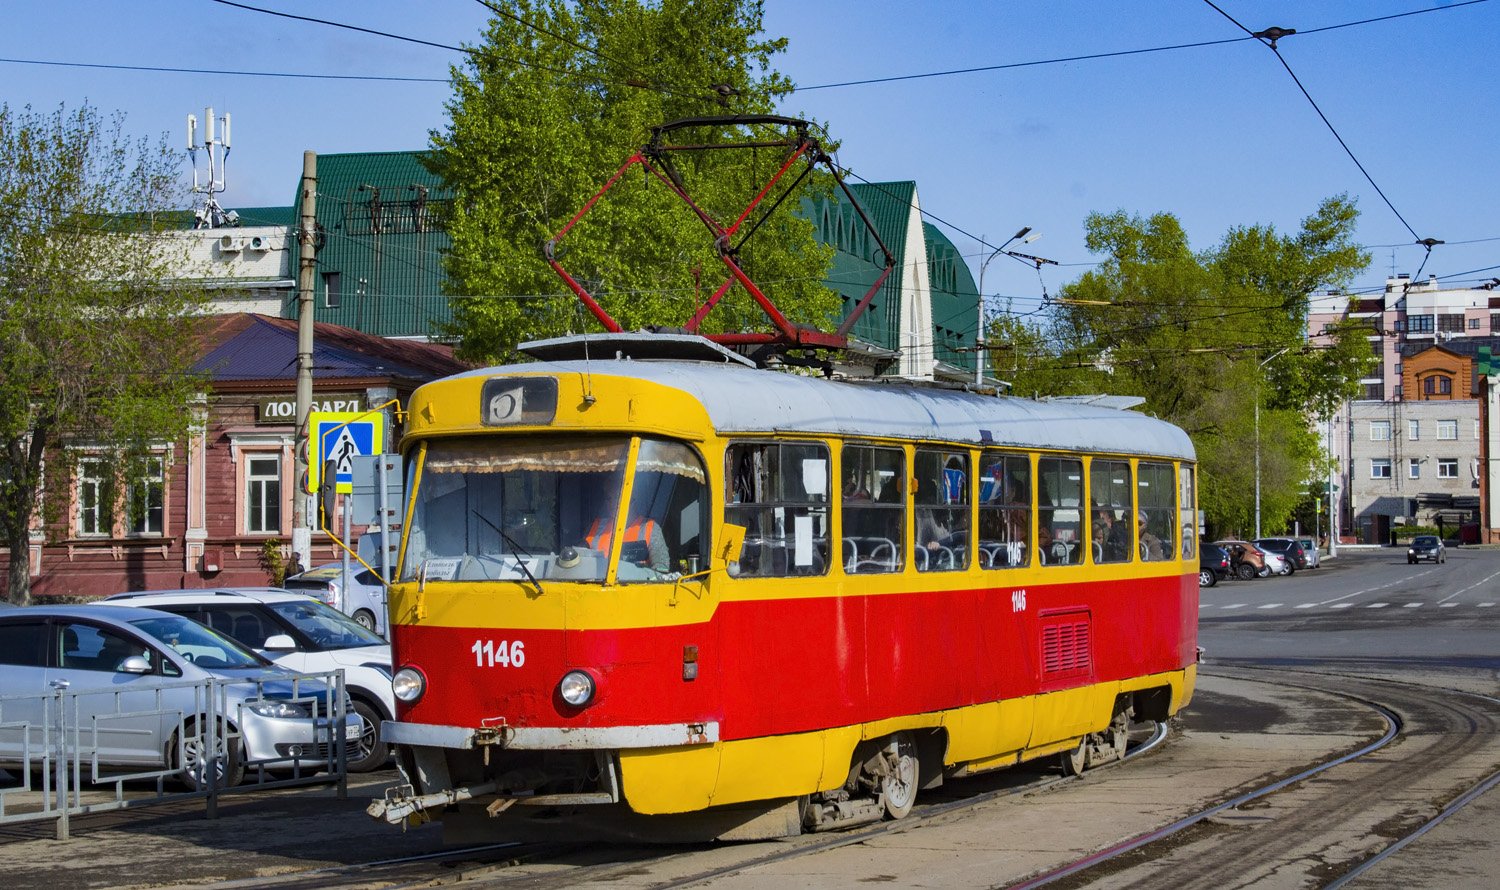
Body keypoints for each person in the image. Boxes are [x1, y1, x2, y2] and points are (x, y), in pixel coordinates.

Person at [586, 513, 670, 572]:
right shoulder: (595, 527)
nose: (611, 502)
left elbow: (661, 569)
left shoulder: (649, 527)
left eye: (616, 496)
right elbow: (579, 561)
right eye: (608, 498)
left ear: (631, 497)